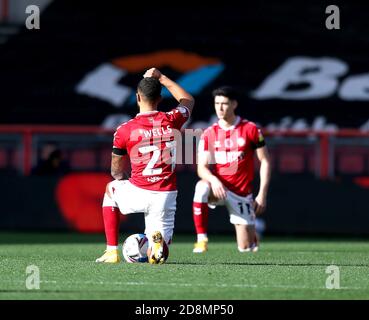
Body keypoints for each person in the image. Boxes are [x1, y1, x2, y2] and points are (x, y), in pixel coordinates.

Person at [96, 68, 194, 264]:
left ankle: (111, 251)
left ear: (137, 97)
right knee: (156, 255)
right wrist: (162, 77)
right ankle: (157, 244)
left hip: (139, 189)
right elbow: (188, 101)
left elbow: (116, 170)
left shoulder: (124, 130)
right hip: (165, 195)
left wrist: (121, 179)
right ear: (160, 98)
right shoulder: (171, 120)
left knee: (110, 190)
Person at [192, 86, 271, 253]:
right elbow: (202, 168)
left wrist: (262, 194)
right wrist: (213, 180)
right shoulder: (209, 133)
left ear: (234, 104)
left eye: (224, 104)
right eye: (217, 103)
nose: (220, 108)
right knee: (201, 187)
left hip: (241, 193)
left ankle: (252, 233)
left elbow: (265, 161)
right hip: (218, 188)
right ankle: (201, 239)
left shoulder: (250, 129)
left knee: (246, 248)